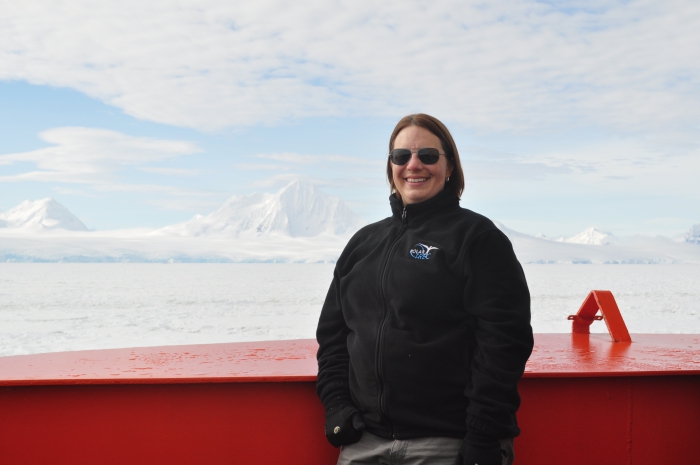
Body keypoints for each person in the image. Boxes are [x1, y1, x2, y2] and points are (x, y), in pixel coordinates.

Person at [316, 114, 533, 465]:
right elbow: (333, 337)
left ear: (449, 168)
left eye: (428, 155)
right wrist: (337, 405)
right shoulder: (363, 243)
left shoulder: (477, 239)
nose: (413, 164)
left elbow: (504, 344)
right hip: (365, 443)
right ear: (391, 168)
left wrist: (482, 436)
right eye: (401, 156)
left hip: (448, 443)